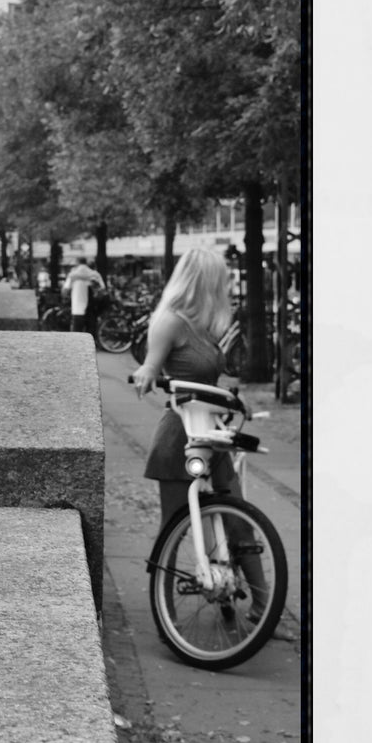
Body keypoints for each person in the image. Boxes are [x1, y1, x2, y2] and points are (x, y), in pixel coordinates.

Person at [131, 248, 271, 620]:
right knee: (174, 524)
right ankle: (166, 614)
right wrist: (145, 374)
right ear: (202, 280)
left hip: (214, 432)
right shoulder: (171, 322)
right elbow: (150, 363)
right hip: (181, 433)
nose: (223, 285)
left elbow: (213, 378)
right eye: (218, 279)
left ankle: (263, 607)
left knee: (238, 515)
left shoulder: (205, 325)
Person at [63, 258, 105, 334]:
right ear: (86, 263)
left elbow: (65, 291)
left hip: (77, 308)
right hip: (92, 308)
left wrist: (67, 297)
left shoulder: (73, 275)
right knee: (90, 334)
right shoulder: (95, 274)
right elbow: (102, 290)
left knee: (77, 333)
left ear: (77, 263)